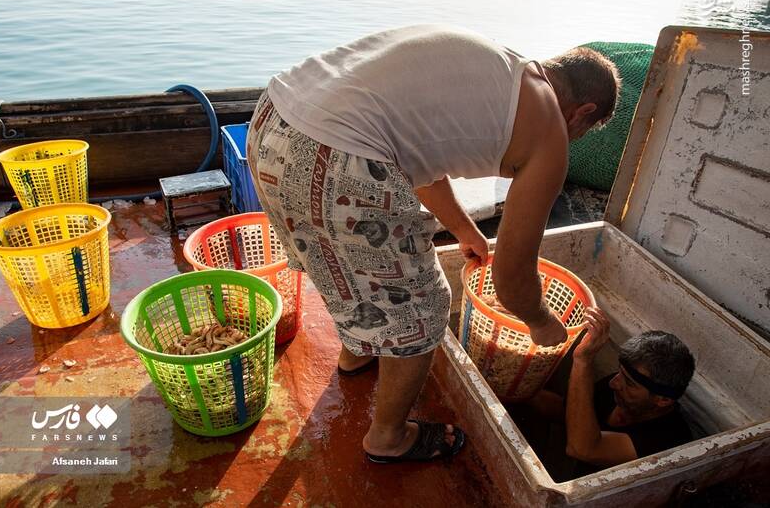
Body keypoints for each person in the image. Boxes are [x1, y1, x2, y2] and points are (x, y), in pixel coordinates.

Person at [246, 24, 621, 463]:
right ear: (583, 112)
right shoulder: (550, 130)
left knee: (343, 258)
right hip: (336, 156)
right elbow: (512, 276)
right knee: (423, 307)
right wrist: (539, 321)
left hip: (274, 121)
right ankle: (387, 437)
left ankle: (356, 353)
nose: (572, 138)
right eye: (583, 132)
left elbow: (418, 157)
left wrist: (464, 229)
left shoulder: (502, 70)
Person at [527, 308, 696, 475]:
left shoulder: (668, 440)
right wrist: (516, 389)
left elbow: (582, 449)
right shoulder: (617, 391)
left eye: (629, 383)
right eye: (620, 372)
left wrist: (583, 361)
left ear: (663, 400)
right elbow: (567, 413)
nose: (614, 383)